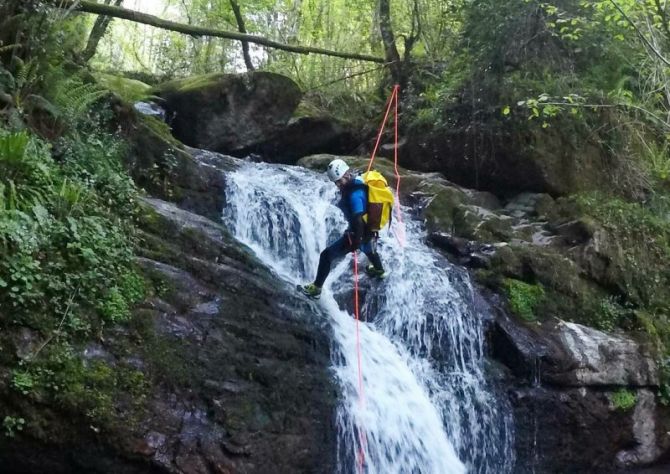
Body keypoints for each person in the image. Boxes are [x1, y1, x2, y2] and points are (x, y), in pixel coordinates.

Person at [298, 159, 387, 299]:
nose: (338, 185)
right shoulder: (358, 181)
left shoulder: (354, 194)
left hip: (358, 232)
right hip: (369, 229)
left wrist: (356, 241)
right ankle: (379, 270)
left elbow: (358, 218)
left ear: (347, 174)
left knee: (326, 256)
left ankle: (316, 289)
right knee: (368, 248)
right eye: (336, 183)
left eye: (340, 181)